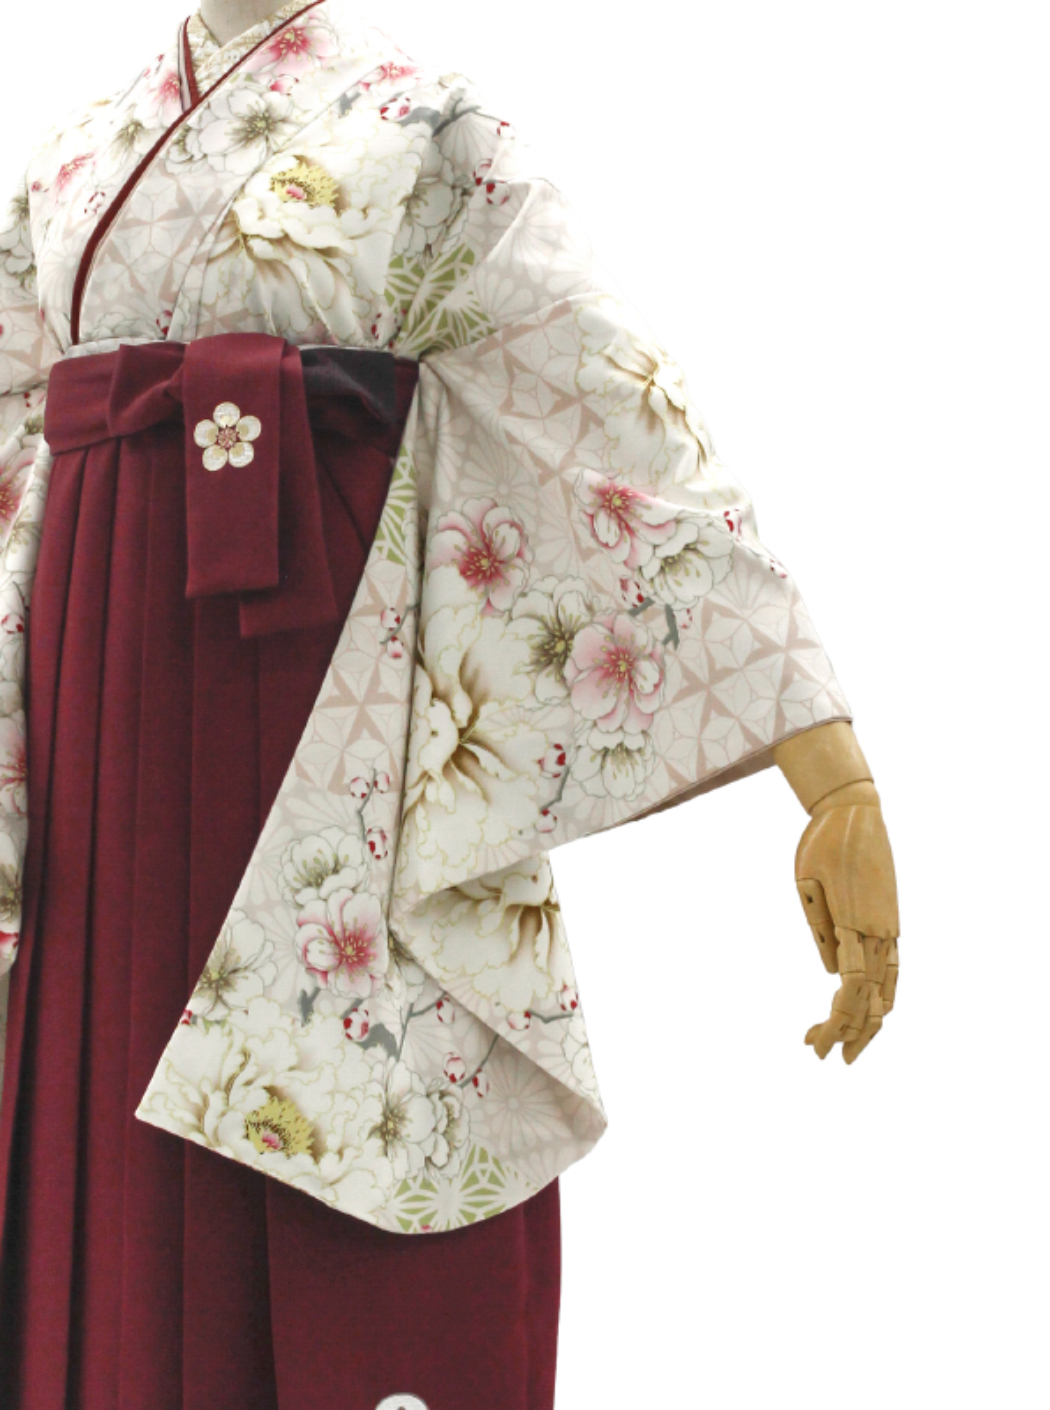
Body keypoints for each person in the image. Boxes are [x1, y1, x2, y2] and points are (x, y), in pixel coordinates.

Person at [0, 2, 900, 1406]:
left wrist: (827, 767)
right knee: (93, 1112)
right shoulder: (72, 159)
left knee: (343, 1100)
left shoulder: (426, 126)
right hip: (93, 716)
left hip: (328, 689)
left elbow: (614, 416)